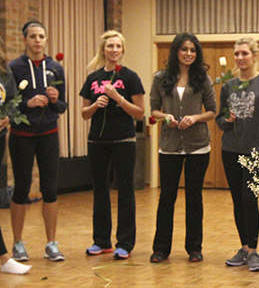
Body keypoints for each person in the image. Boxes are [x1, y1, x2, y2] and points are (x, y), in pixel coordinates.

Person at [149, 33, 216, 263]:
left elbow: (212, 111)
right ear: (176, 51)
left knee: (194, 197)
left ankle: (194, 248)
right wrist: (165, 116)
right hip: (169, 146)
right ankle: (160, 249)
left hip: (197, 146)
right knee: (166, 197)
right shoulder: (160, 78)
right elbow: (154, 110)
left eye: (193, 50)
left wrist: (196, 118)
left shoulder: (203, 79)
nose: (189, 54)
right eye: (184, 49)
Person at [80, 30, 145, 260]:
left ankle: (125, 243)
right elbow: (84, 114)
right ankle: (101, 241)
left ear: (122, 50)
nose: (114, 50)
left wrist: (119, 99)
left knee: (125, 191)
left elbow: (139, 112)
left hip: (123, 140)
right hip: (97, 141)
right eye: (110, 46)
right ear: (103, 50)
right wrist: (96, 104)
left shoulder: (130, 77)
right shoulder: (93, 78)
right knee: (99, 191)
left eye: (118, 46)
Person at [216, 37, 259, 272]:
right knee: (237, 201)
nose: (240, 58)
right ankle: (243, 247)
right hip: (230, 150)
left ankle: (253, 250)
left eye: (244, 54)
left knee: (249, 200)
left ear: (254, 56)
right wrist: (227, 120)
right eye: (237, 54)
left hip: (255, 153)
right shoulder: (228, 86)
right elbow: (220, 121)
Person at [9, 21, 67, 262]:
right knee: (22, 188)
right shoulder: (13, 68)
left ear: (46, 39)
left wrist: (54, 100)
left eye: (41, 36)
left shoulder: (55, 68)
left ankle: (51, 243)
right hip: (21, 135)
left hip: (48, 134)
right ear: (25, 40)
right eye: (33, 36)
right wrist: (27, 103)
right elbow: (7, 105)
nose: (37, 40)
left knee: (50, 188)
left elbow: (63, 106)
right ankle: (17, 244)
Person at [0, 36, 31, 275]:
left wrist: (7, 116)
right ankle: (3, 258)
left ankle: (2, 258)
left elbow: (11, 100)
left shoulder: (5, 71)